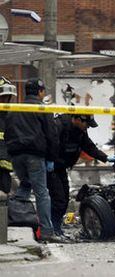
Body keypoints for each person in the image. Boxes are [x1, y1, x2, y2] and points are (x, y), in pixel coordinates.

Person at [5, 78, 61, 242]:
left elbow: (8, 131)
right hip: (35, 156)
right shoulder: (41, 108)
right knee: (42, 193)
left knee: (24, 186)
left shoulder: (14, 108)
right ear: (40, 92)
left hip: (16, 156)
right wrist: (51, 158)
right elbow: (51, 134)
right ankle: (46, 232)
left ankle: (18, 220)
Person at [48, 114, 115, 237]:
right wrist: (47, 161)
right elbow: (48, 143)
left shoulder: (80, 131)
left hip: (61, 167)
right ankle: (52, 229)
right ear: (77, 119)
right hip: (50, 167)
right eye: (86, 124)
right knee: (58, 199)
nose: (87, 128)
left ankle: (57, 228)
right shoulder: (58, 126)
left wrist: (106, 158)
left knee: (64, 199)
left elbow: (89, 147)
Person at [0, 77, 16, 194]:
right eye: (3, 97)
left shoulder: (9, 117)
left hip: (5, 167)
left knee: (5, 194)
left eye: (7, 97)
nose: (5, 100)